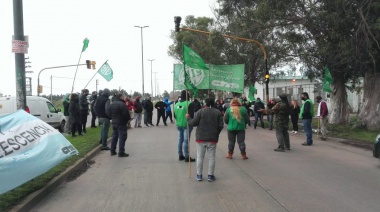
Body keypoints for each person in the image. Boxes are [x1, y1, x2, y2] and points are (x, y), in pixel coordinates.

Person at [186, 98, 224, 182]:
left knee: (200, 157)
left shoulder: (200, 111)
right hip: (213, 139)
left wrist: (188, 118)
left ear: (205, 103)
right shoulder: (218, 112)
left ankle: (199, 175)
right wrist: (216, 133)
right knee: (211, 158)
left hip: (201, 138)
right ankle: (210, 175)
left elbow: (193, 123)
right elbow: (221, 125)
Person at [174, 90, 196, 162]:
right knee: (186, 141)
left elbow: (174, 115)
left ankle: (180, 155)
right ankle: (187, 157)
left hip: (179, 124)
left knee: (180, 140)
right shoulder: (189, 104)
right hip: (187, 125)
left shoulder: (176, 104)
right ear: (188, 96)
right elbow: (191, 116)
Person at [107, 92, 131, 157]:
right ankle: (121, 152)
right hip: (121, 122)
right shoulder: (122, 104)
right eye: (123, 97)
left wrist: (112, 118)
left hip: (114, 122)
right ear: (120, 97)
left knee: (114, 137)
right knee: (122, 137)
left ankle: (112, 151)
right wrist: (127, 120)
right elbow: (126, 114)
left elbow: (108, 113)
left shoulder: (112, 104)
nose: (124, 98)